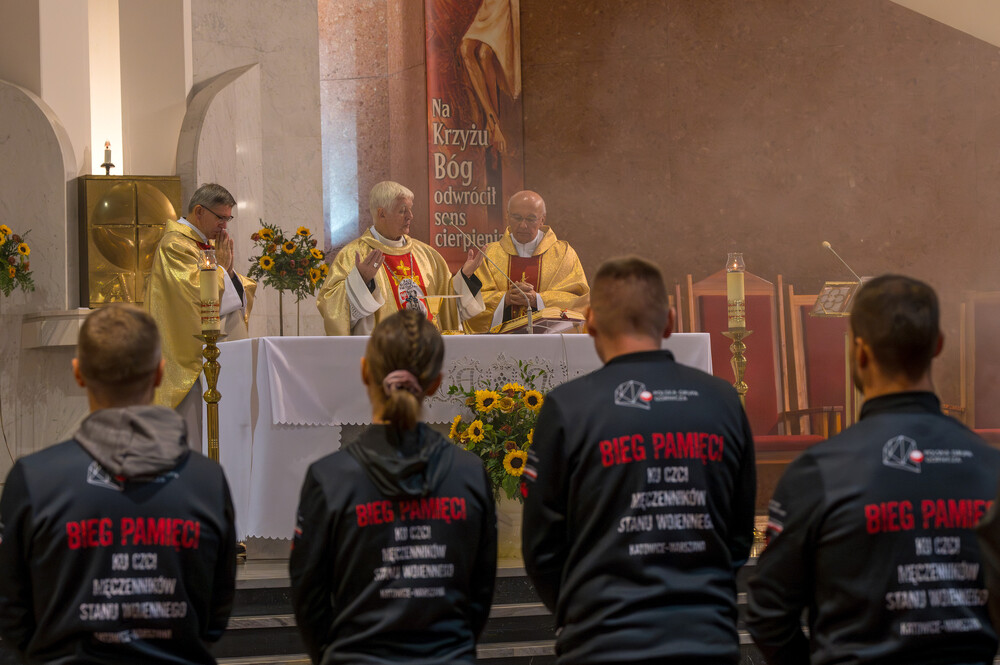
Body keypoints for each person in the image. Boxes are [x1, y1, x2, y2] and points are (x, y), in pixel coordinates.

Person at [747, 275, 1000, 665]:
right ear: (938, 345)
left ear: (860, 351)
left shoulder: (817, 472)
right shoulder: (991, 467)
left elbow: (767, 614)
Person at [521, 256, 756, 664]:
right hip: (705, 638)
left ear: (590, 321)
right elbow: (738, 530)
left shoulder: (568, 406)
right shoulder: (722, 401)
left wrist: (577, 616)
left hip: (601, 640)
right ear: (670, 321)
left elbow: (542, 545)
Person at [0, 305, 237, 664]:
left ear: (78, 373)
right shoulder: (206, 479)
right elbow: (215, 617)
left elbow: (12, 615)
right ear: (159, 373)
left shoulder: (34, 478)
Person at [289, 310, 497, 664]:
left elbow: (309, 597)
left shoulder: (331, 478)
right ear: (436, 383)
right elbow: (479, 593)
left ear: (365, 371)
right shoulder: (469, 474)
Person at [144, 183, 255, 447]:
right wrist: (223, 271)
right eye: (220, 218)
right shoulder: (175, 245)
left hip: (209, 360)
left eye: (228, 219)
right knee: (192, 439)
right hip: (186, 360)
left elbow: (227, 289)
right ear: (198, 211)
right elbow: (195, 295)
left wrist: (226, 273)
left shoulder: (202, 245)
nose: (224, 227)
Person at [316, 181, 486, 335]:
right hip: (384, 355)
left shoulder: (428, 256)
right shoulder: (354, 255)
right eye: (402, 211)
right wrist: (362, 281)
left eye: (410, 210)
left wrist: (465, 278)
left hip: (427, 350)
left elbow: (447, 307)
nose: (410, 216)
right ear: (382, 214)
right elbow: (332, 308)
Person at [465, 190, 589, 333]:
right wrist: (504, 299)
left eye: (530, 219)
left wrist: (538, 300)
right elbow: (471, 303)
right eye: (517, 218)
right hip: (500, 344)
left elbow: (579, 302)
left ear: (542, 219)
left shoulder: (564, 254)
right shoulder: (490, 254)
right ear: (507, 217)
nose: (523, 225)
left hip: (550, 345)